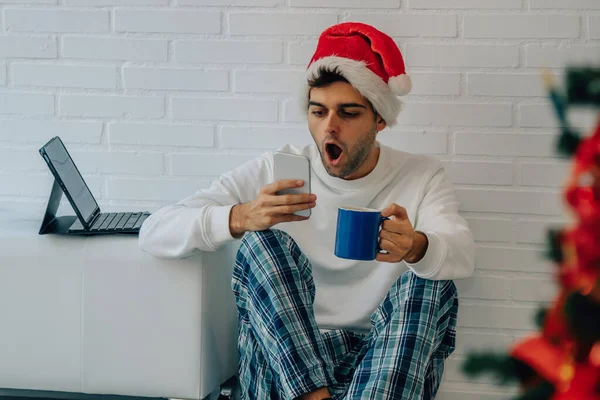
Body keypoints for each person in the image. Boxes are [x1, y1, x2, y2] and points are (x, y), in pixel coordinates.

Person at [139, 22, 475, 400]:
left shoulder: (420, 176)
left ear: (379, 120)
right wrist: (241, 217)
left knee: (431, 279)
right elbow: (154, 231)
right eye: (318, 112)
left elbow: (462, 254)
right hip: (286, 370)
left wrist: (415, 246)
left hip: (378, 370)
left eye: (348, 113)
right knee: (262, 245)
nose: (329, 127)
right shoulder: (277, 170)